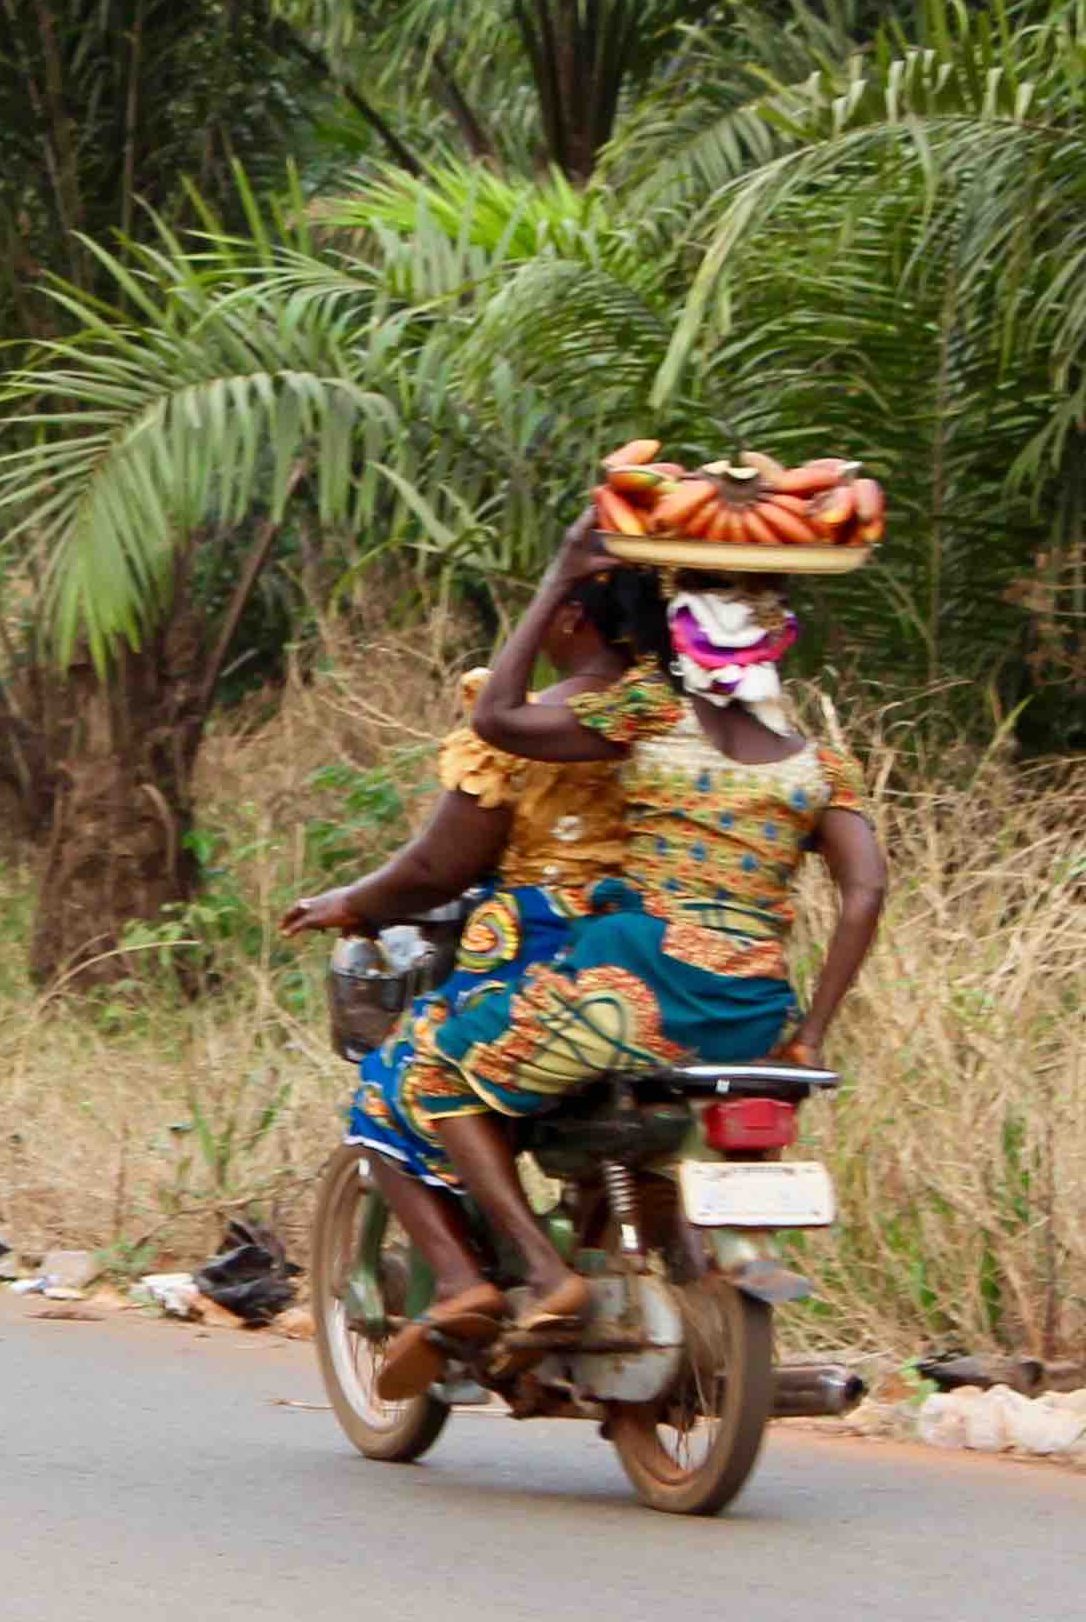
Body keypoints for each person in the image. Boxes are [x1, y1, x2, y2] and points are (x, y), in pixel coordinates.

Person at [363, 526, 890, 1371]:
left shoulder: (647, 716)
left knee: (432, 1072)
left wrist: (562, 573)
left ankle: (541, 1272)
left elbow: (499, 717)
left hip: (631, 991)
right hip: (754, 1011)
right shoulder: (824, 765)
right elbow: (866, 892)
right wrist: (814, 1031)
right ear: (777, 638)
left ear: (680, 633)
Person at [282, 535, 682, 1359]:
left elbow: (440, 866)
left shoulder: (531, 724)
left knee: (398, 1081)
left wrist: (350, 904)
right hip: (668, 959)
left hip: (542, 956)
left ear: (569, 613)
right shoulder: (681, 716)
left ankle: (488, 1280)